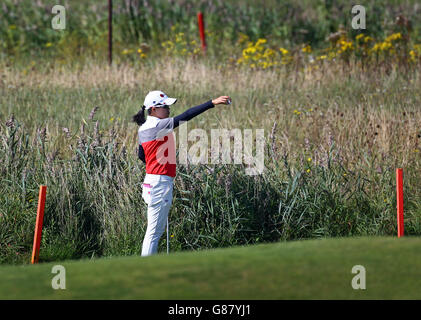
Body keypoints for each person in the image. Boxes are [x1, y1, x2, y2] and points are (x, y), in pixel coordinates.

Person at [132, 90, 231, 256]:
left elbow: (142, 155)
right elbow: (185, 116)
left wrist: (157, 164)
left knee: (154, 231)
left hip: (153, 181)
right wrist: (211, 103)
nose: (169, 110)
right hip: (159, 184)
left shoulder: (144, 127)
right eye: (165, 107)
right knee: (154, 233)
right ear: (154, 109)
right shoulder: (158, 125)